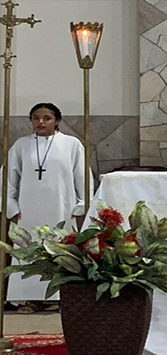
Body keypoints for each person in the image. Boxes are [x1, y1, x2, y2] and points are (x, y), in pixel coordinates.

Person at [4, 103, 89, 312]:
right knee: (30, 250)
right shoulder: (21, 145)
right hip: (28, 211)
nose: (41, 122)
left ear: (57, 120)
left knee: (62, 249)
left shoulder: (72, 144)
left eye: (47, 118)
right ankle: (32, 298)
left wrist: (81, 204)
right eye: (36, 118)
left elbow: (82, 176)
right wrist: (11, 206)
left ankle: (64, 297)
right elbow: (8, 178)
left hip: (62, 208)